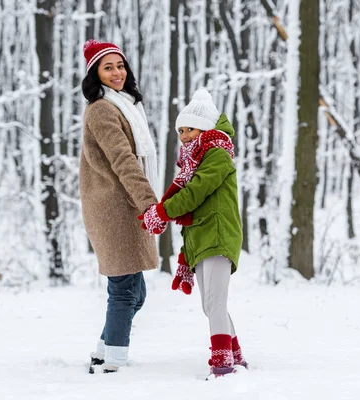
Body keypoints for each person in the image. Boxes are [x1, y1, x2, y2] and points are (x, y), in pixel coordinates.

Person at [141, 89, 248, 377]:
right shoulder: (196, 160)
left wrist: (162, 212)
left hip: (217, 236)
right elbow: (192, 203)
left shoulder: (216, 154)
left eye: (190, 128)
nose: (185, 135)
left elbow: (196, 192)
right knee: (210, 303)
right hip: (203, 236)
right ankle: (236, 356)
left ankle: (223, 363)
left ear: (206, 128)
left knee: (214, 302)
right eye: (181, 130)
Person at [79, 39, 159, 373]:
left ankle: (103, 351)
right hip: (115, 208)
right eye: (108, 67)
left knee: (134, 292)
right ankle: (113, 362)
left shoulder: (123, 105)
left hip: (125, 205)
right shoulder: (102, 109)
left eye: (120, 65)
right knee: (125, 290)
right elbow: (123, 159)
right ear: (95, 74)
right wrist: (149, 203)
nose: (117, 73)